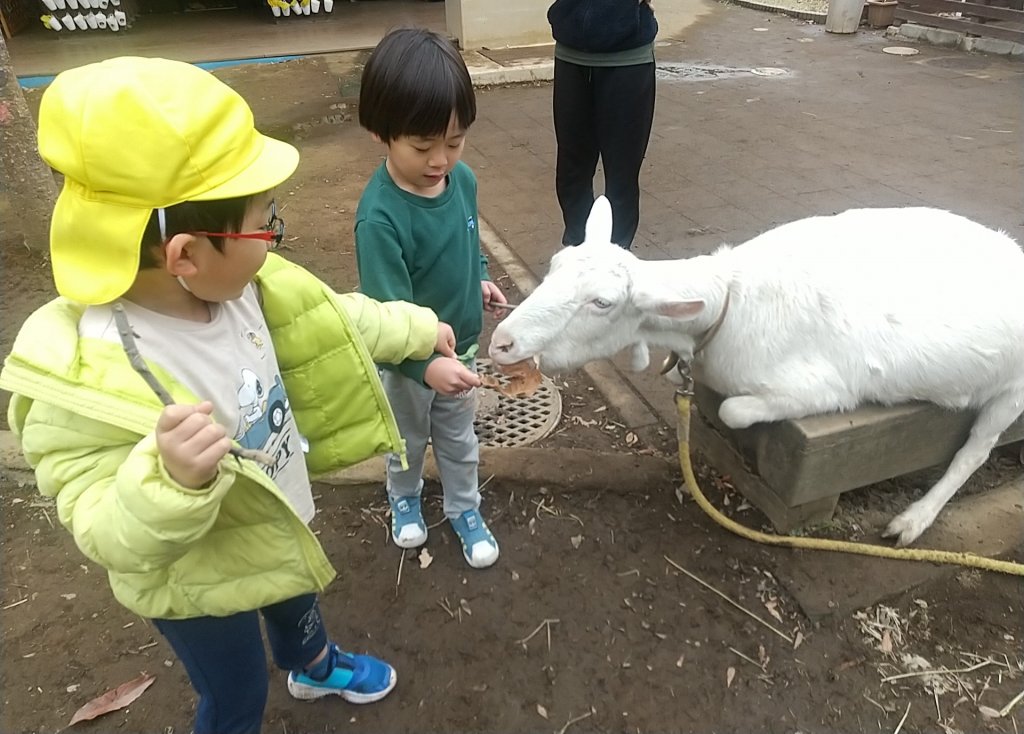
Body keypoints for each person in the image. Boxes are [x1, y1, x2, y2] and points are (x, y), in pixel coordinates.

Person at [0, 56, 468, 734]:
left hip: (275, 517)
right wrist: (168, 483)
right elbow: (101, 524)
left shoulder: (245, 284)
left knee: (297, 602)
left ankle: (312, 664)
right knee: (236, 693)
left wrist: (418, 329)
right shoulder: (83, 375)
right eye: (264, 221)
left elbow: (335, 317)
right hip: (199, 584)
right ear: (186, 254)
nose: (274, 236)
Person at [354, 28, 506, 569]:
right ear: (381, 132)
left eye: (454, 141)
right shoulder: (380, 218)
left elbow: (468, 240)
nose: (440, 159)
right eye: (422, 145)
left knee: (459, 438)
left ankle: (465, 506)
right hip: (408, 363)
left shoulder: (461, 181)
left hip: (460, 348)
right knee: (408, 436)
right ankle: (404, 495)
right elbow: (386, 315)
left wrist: (480, 276)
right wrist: (423, 366)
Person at [547, 0, 658, 249]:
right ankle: (578, 251)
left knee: (622, 178)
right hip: (570, 51)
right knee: (571, 173)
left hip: (628, 58)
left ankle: (615, 259)